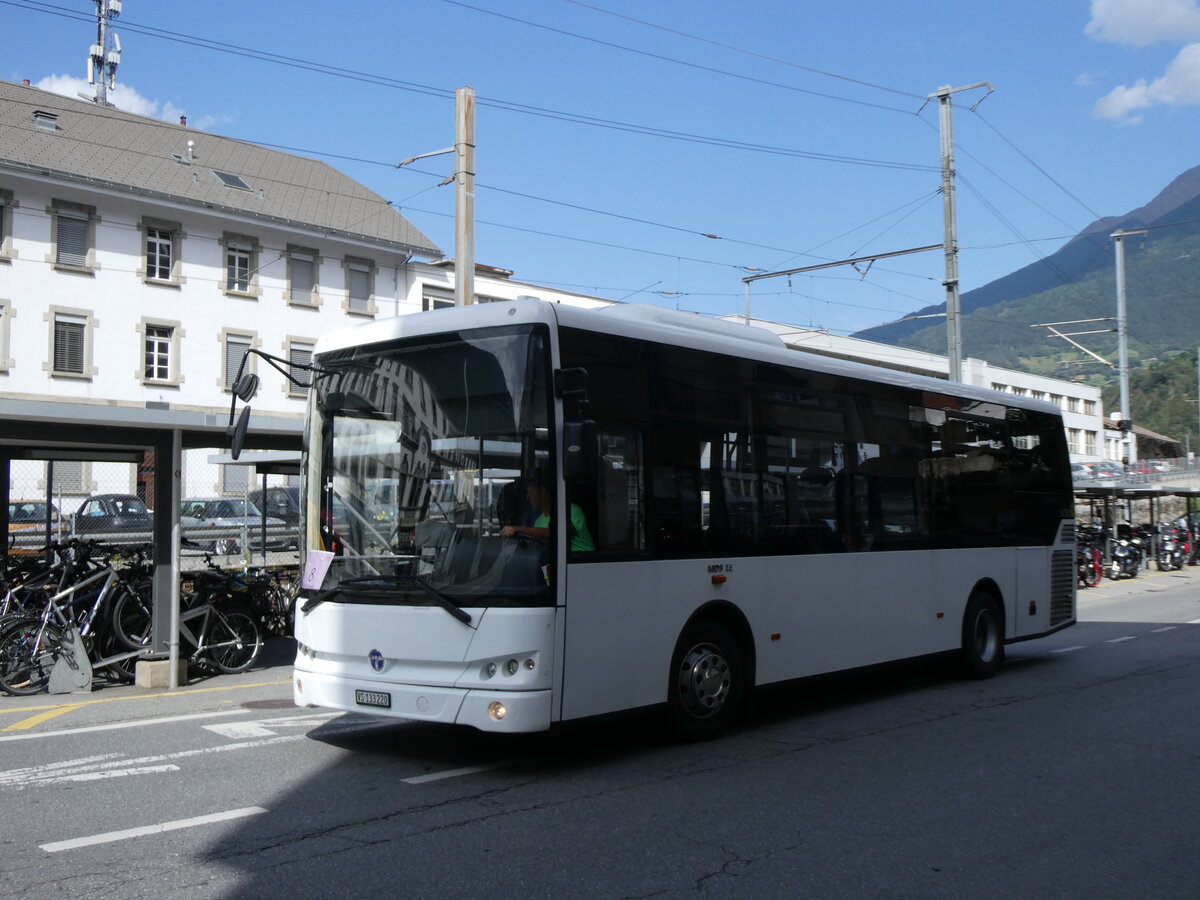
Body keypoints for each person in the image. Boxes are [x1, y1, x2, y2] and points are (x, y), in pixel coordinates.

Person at [500, 475, 594, 552]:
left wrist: (518, 528)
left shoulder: (571, 510)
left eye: (530, 492)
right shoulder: (538, 521)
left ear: (542, 491)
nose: (528, 497)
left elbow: (559, 532)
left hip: (578, 563)